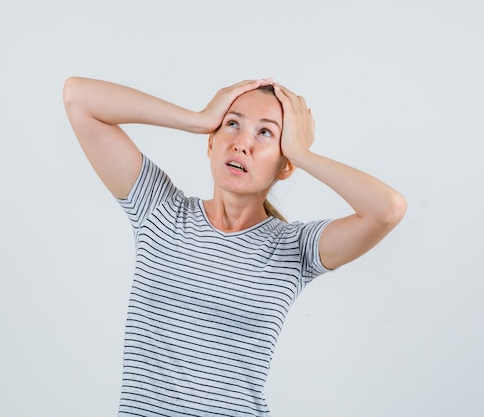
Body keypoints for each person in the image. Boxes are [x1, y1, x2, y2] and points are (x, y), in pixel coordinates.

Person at [62, 77, 407, 417]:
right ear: (211, 143)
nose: (243, 143)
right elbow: (78, 97)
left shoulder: (293, 249)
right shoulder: (159, 211)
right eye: (232, 124)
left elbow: (387, 209)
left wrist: (301, 153)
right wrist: (198, 119)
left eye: (266, 133)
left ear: (285, 164)